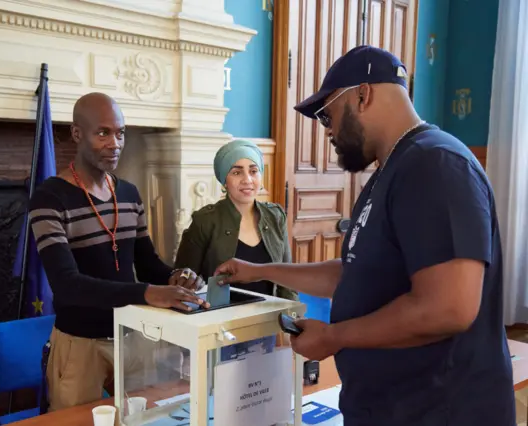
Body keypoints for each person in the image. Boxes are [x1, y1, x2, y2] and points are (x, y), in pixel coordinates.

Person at [214, 46, 515, 425]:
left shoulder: (435, 165)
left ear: (362, 94)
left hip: (438, 409)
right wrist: (258, 271)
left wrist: (335, 336)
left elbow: (448, 307)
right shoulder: (389, 173)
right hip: (389, 406)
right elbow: (354, 274)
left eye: (327, 115)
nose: (327, 131)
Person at [29, 92, 208, 411]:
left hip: (132, 337)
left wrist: (175, 277)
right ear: (76, 133)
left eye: (120, 133)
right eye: (103, 133)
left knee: (143, 419)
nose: (115, 143)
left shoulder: (128, 193)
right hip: (79, 345)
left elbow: (148, 263)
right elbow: (66, 285)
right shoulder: (49, 198)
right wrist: (149, 293)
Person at [174, 139, 297, 358]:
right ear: (224, 180)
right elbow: (184, 277)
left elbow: (287, 275)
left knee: (256, 388)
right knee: (219, 389)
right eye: (237, 172)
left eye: (253, 171)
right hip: (218, 328)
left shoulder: (275, 216)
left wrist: (293, 321)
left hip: (264, 323)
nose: (247, 180)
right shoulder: (205, 220)